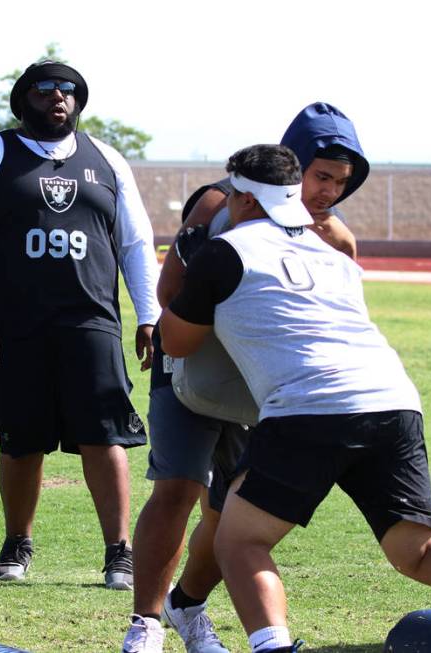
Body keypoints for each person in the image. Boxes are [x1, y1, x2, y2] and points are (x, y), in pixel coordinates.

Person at [160, 143, 431, 653]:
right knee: (418, 551)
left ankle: (272, 647)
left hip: (309, 408)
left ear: (246, 200)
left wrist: (188, 271)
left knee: (240, 541)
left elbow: (176, 342)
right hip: (392, 400)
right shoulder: (333, 252)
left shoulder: (225, 252)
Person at [123, 102, 369, 653]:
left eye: (340, 182)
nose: (328, 191)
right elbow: (168, 298)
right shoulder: (222, 201)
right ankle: (145, 625)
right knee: (175, 490)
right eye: (319, 175)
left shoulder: (334, 238)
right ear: (289, 166)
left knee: (227, 514)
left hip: (262, 389)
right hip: (190, 367)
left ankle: (186, 607)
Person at [0, 60, 160, 589]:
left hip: (91, 319)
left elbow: (134, 241)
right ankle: (17, 544)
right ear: (24, 101)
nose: (58, 98)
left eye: (68, 90)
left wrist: (149, 313)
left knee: (104, 434)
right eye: (45, 91)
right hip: (16, 323)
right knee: (21, 439)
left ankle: (119, 552)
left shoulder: (107, 159)